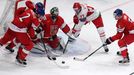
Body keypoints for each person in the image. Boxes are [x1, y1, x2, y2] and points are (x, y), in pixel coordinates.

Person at [0, 1, 45, 66]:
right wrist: (34, 38)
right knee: (29, 44)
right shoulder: (35, 20)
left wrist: (17, 18)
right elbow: (31, 31)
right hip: (19, 30)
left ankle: (9, 47)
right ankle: (20, 59)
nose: (41, 17)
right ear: (38, 14)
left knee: (4, 40)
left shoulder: (29, 9)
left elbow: (22, 7)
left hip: (12, 25)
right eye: (40, 16)